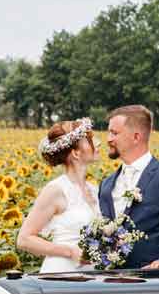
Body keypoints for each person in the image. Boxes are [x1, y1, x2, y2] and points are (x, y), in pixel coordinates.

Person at [99, 105, 159, 269]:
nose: (108, 139)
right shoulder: (106, 184)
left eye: (114, 133)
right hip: (111, 279)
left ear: (136, 137)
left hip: (153, 280)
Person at [16, 117, 99, 272]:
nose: (98, 144)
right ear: (76, 153)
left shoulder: (94, 189)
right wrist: (70, 251)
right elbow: (24, 239)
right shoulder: (56, 190)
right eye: (89, 140)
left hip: (92, 274)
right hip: (62, 272)